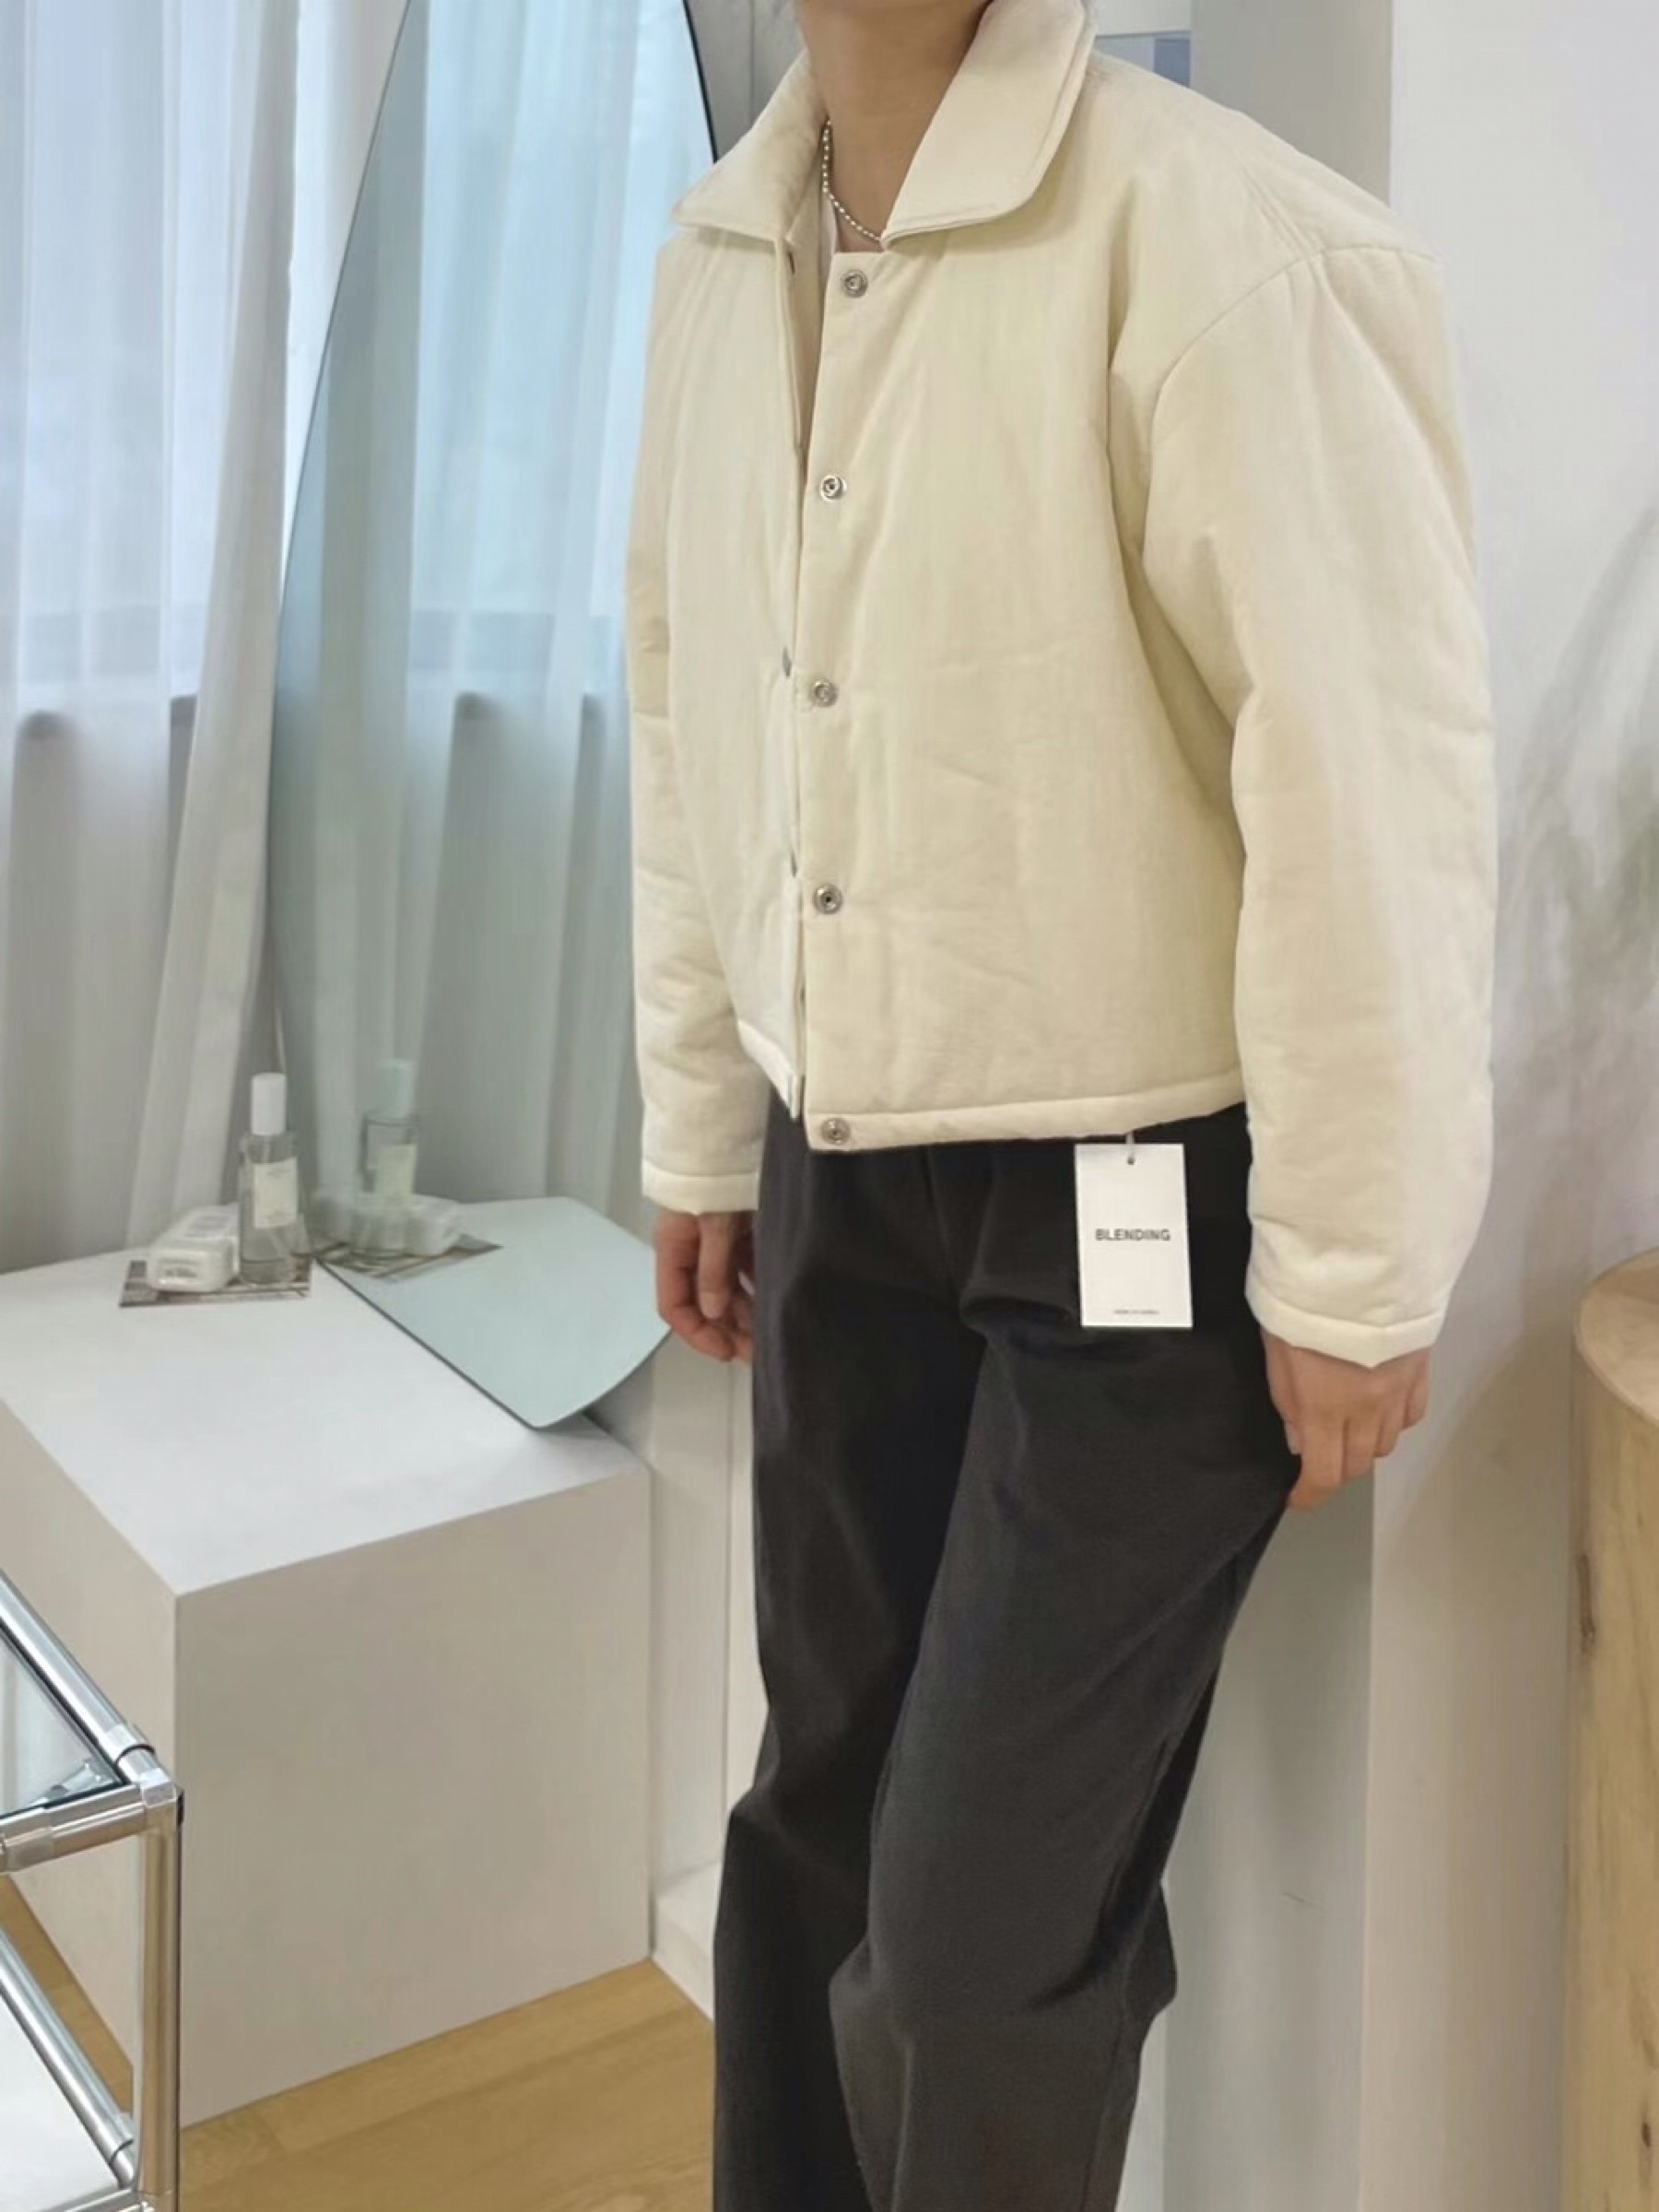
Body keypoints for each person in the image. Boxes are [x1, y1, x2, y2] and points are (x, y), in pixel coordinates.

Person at [623, 0, 1497, 2205]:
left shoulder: (1229, 248)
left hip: (1142, 1207)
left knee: (968, 1950)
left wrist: (1361, 1260)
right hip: (839, 1169)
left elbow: (1370, 783)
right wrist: (706, 1118)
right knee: (809, 1831)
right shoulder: (721, 254)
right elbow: (695, 701)